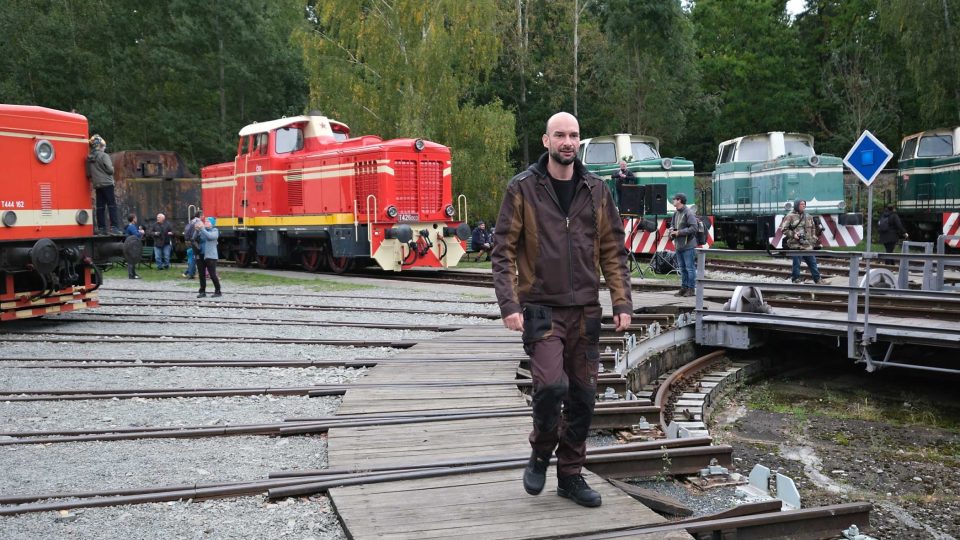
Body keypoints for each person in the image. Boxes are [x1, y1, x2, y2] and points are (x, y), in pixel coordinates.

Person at [492, 112, 632, 508]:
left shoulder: (597, 190)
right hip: (540, 309)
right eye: (560, 135)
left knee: (585, 397)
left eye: (573, 135)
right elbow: (502, 251)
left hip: (586, 311)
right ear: (546, 141)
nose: (567, 142)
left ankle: (570, 475)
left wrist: (621, 300)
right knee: (552, 386)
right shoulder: (522, 188)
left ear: (579, 141)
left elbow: (613, 251)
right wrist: (509, 304)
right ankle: (540, 452)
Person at [86, 134, 121, 235]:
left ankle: (101, 228)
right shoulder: (104, 155)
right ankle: (114, 227)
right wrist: (112, 168)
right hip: (107, 183)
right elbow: (110, 170)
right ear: (99, 145)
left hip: (97, 185)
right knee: (112, 205)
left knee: (100, 207)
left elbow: (88, 174)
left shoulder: (89, 159)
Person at [780, 199, 822, 284]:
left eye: (804, 204)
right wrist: (793, 235)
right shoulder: (790, 216)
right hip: (796, 245)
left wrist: (813, 241)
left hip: (808, 245)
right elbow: (784, 229)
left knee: (813, 263)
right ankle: (796, 279)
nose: (804, 206)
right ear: (796, 205)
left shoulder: (809, 216)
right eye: (801, 204)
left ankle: (818, 280)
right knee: (797, 263)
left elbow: (813, 229)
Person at [668, 193, 698, 297]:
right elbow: (672, 224)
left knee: (690, 268)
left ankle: (691, 289)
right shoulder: (676, 213)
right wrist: (672, 229)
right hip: (679, 245)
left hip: (688, 245)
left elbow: (694, 228)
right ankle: (684, 288)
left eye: (674, 199)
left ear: (679, 200)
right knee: (682, 268)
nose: (673, 201)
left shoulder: (688, 213)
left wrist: (679, 232)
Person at [196, 217, 221, 298]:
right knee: (201, 274)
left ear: (212, 223)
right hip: (201, 255)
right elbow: (194, 238)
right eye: (205, 221)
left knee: (212, 274)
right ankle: (202, 291)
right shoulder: (202, 230)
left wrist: (202, 229)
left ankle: (218, 291)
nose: (206, 222)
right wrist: (196, 230)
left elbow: (210, 237)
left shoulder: (215, 230)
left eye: (208, 221)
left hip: (211, 256)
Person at [182, 209, 204, 279]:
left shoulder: (192, 221)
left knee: (190, 258)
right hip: (194, 242)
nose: (203, 217)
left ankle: (188, 272)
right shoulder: (199, 222)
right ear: (200, 216)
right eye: (203, 215)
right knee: (193, 259)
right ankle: (191, 274)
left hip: (188, 242)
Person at [123, 214, 144, 279]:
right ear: (133, 219)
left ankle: (133, 274)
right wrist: (141, 232)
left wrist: (138, 231)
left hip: (129, 245)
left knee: (132, 260)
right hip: (131, 246)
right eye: (135, 218)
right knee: (131, 260)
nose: (136, 219)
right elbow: (136, 235)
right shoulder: (132, 226)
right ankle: (131, 275)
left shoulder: (129, 226)